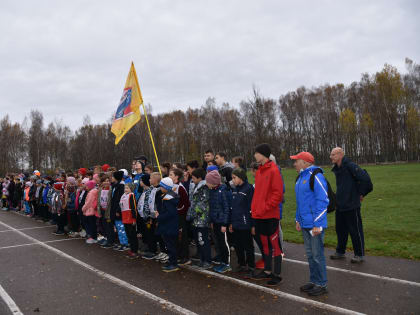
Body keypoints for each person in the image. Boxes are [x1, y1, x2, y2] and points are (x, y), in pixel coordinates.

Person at [291, 151, 329, 296]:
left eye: (297, 161)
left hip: (314, 225)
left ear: (306, 162)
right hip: (305, 223)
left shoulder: (316, 176)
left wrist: (318, 224)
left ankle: (322, 284)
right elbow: (301, 203)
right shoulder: (300, 178)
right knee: (310, 254)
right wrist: (297, 219)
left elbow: (323, 200)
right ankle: (314, 281)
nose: (294, 163)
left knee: (317, 254)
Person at [330, 147, 372, 263]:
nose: (331, 157)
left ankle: (359, 255)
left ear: (340, 155)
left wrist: (362, 193)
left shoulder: (350, 166)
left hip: (351, 205)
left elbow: (366, 179)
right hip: (340, 205)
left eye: (333, 154)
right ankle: (340, 252)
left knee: (355, 230)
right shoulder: (337, 168)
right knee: (340, 230)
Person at [250, 143, 284, 286]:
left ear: (263, 154)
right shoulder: (259, 171)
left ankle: (276, 274)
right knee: (264, 244)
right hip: (259, 215)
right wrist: (255, 209)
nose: (254, 155)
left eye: (256, 153)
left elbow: (278, 194)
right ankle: (267, 270)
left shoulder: (274, 170)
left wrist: (265, 207)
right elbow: (258, 193)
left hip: (270, 215)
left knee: (275, 244)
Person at [230, 168, 255, 276]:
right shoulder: (235, 189)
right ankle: (241, 263)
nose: (233, 180)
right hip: (236, 223)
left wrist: (253, 224)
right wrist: (231, 223)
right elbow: (233, 207)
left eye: (234, 178)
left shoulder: (249, 189)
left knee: (248, 246)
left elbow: (252, 208)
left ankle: (251, 266)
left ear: (241, 177)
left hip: (245, 223)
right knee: (237, 245)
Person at [206, 170, 232, 273]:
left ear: (213, 182)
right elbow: (212, 207)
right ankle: (221, 261)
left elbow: (226, 209)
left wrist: (225, 224)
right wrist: (212, 221)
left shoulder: (223, 191)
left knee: (223, 243)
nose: (206, 183)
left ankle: (226, 263)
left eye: (207, 181)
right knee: (218, 243)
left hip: (222, 223)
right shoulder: (212, 190)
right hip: (215, 221)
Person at [187, 168, 211, 269]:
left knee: (203, 240)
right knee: (198, 240)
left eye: (193, 178)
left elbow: (202, 204)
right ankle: (202, 259)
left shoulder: (204, 188)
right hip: (196, 220)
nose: (192, 180)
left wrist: (191, 213)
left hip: (202, 219)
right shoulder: (196, 186)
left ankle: (207, 260)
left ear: (199, 178)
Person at [156, 177, 180, 272]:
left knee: (170, 245)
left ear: (165, 187)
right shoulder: (169, 196)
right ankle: (171, 261)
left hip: (169, 226)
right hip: (169, 225)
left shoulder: (168, 199)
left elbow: (170, 213)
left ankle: (173, 263)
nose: (160, 188)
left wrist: (159, 216)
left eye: (161, 186)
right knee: (169, 244)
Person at [169, 168, 191, 265]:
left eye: (171, 175)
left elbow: (185, 203)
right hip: (173, 216)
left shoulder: (180, 188)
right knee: (175, 236)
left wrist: (178, 211)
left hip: (180, 216)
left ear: (176, 177)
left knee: (182, 236)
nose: (169, 177)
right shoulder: (171, 187)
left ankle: (185, 256)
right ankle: (178, 254)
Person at [120, 183, 139, 259]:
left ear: (131, 189)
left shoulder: (131, 195)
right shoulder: (124, 195)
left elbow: (134, 207)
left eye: (127, 188)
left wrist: (134, 219)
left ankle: (135, 251)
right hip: (125, 218)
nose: (125, 189)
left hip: (130, 218)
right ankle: (132, 249)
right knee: (128, 235)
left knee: (133, 235)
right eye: (125, 188)